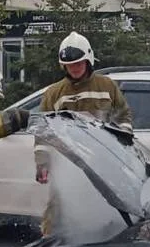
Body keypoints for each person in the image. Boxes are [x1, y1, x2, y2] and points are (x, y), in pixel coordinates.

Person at [34, 31, 133, 233]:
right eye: (70, 65)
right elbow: (43, 131)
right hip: (68, 164)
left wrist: (123, 146)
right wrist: (42, 164)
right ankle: (50, 244)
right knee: (58, 208)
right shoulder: (54, 93)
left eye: (79, 64)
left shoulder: (106, 86)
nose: (75, 69)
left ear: (88, 60)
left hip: (103, 162)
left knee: (105, 208)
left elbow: (123, 116)